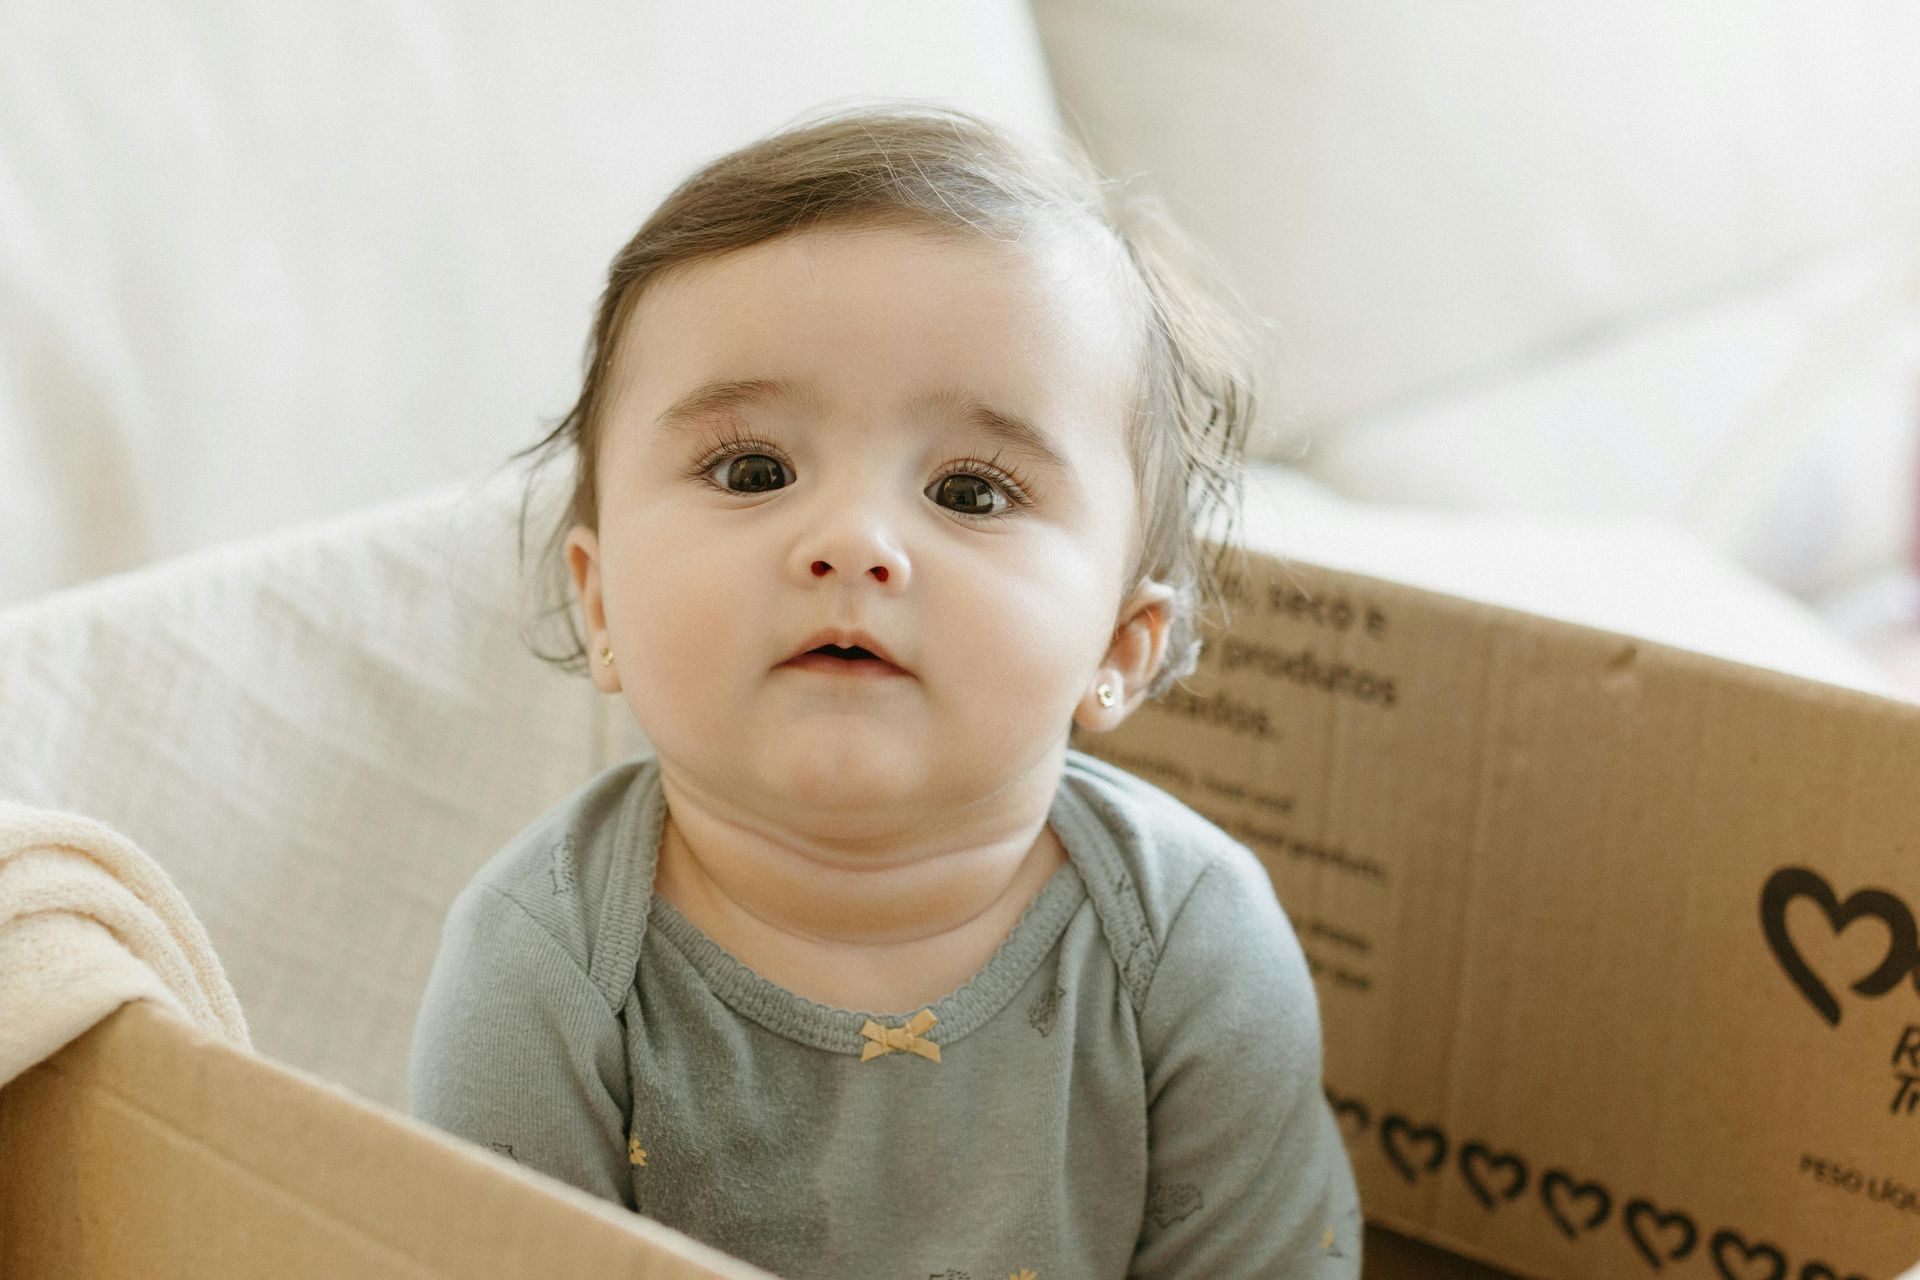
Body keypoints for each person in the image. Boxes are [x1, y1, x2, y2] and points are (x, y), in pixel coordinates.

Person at [409, 101, 1362, 1278]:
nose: (853, 540)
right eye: (754, 469)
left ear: (1123, 643)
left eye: (970, 490)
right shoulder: (540, 972)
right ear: (603, 607)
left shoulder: (1194, 947)